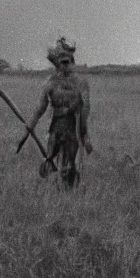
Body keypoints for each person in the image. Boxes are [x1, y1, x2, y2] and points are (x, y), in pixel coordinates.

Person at [26, 38, 93, 188]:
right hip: (56, 127)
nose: (64, 66)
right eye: (61, 62)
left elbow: (85, 108)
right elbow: (41, 107)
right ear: (56, 63)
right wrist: (30, 126)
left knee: (71, 163)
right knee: (53, 159)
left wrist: (85, 134)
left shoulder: (81, 82)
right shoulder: (50, 82)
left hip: (73, 127)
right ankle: (59, 187)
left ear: (72, 62)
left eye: (67, 62)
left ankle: (71, 186)